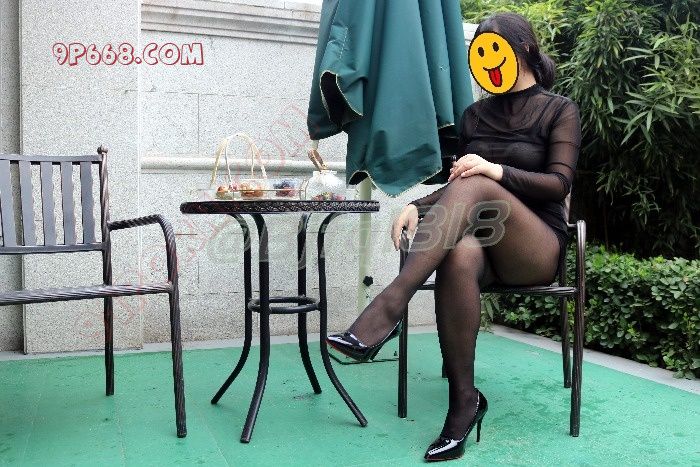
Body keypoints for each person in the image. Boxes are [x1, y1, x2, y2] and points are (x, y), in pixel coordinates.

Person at [327, 11, 582, 463]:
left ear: (524, 50)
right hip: (483, 247)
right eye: (480, 52)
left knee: (480, 181)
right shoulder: (474, 116)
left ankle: (388, 307)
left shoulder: (559, 110)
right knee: (461, 252)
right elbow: (460, 187)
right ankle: (464, 402)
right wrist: (417, 205)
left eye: (495, 49)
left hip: (535, 246)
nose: (488, 61)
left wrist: (495, 171)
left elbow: (558, 184)